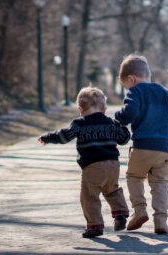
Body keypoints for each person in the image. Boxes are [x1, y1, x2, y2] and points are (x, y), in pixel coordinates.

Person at [38, 87, 131, 238]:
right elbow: (124, 139)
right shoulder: (110, 122)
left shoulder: (79, 124)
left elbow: (64, 136)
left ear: (80, 109)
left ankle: (95, 226)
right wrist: (123, 127)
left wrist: (48, 137)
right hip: (112, 164)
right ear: (103, 109)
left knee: (89, 196)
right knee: (112, 190)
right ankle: (120, 214)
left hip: (92, 166)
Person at [115, 54, 168, 234]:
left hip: (143, 146)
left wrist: (118, 117)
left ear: (132, 79)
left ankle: (139, 211)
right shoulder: (167, 93)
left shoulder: (135, 91)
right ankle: (161, 221)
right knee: (160, 183)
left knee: (134, 176)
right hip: (165, 148)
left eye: (125, 86)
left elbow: (130, 112)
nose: (126, 90)